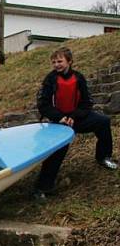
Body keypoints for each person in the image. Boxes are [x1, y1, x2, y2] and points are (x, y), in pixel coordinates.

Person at [34, 47, 117, 199]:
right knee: (57, 151)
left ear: (70, 61)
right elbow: (43, 104)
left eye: (60, 61)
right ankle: (42, 188)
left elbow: (87, 102)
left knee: (103, 122)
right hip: (59, 122)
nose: (56, 64)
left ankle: (103, 156)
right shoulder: (50, 80)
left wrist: (74, 116)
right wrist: (60, 117)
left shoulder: (79, 78)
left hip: (78, 118)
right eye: (54, 62)